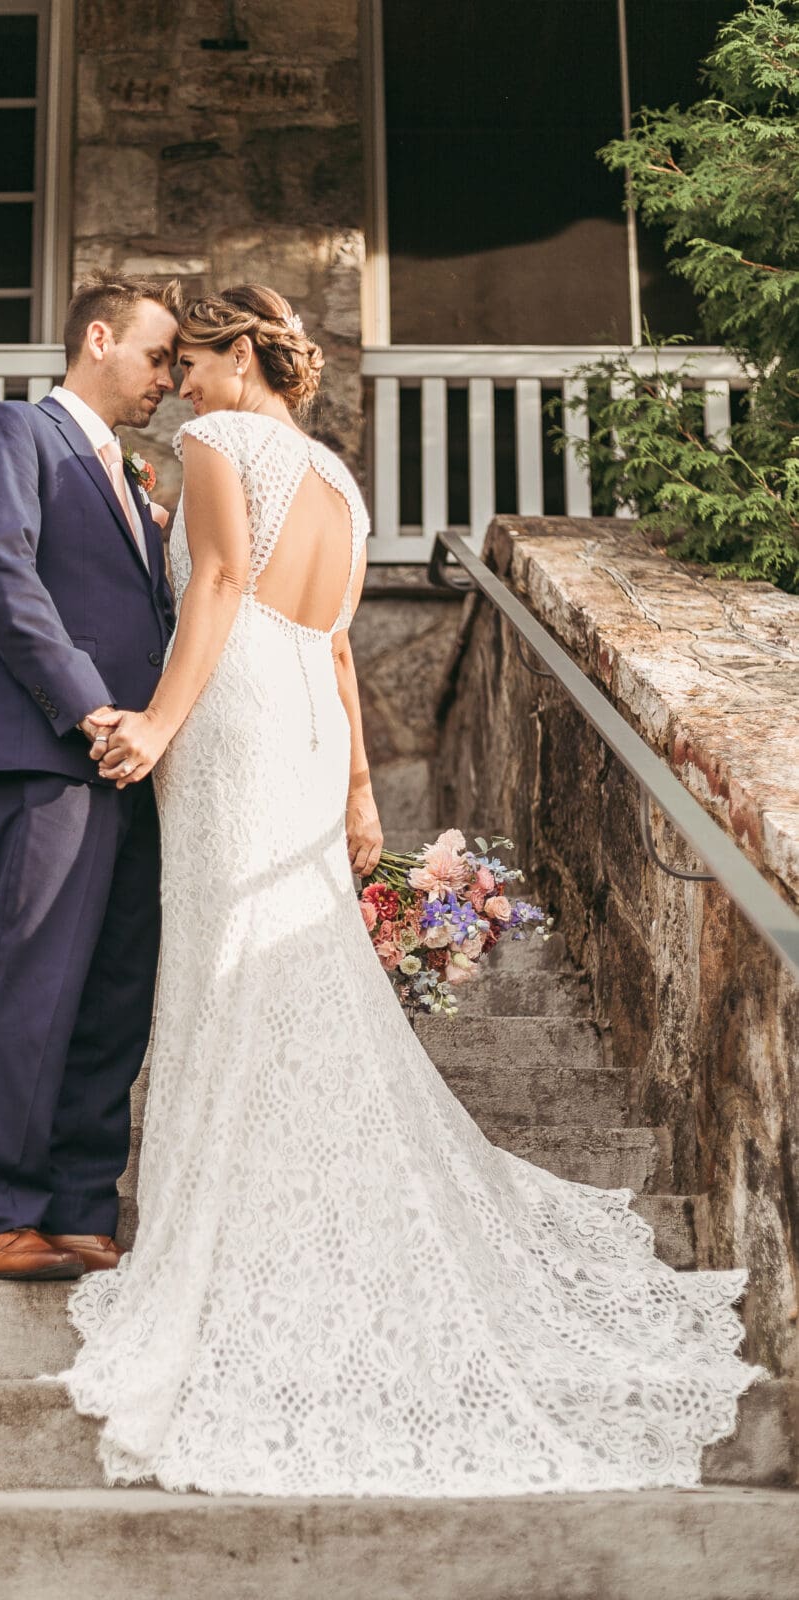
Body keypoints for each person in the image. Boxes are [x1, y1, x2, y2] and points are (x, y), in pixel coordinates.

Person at [53, 283, 762, 1497]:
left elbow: (217, 589)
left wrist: (159, 726)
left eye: (195, 360)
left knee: (226, 952)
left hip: (227, 718)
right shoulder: (337, 479)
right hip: (304, 733)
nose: (178, 383)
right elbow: (331, 643)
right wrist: (361, 803)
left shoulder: (219, 443)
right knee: (281, 950)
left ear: (238, 357)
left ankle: (234, 1224)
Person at [0, 275, 179, 1282]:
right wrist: (90, 708)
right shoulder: (12, 433)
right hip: (46, 752)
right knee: (31, 981)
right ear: (96, 338)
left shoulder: (134, 480)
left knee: (115, 992)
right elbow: (2, 572)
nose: (169, 378)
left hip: (135, 768)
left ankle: (82, 1206)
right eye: (158, 354)